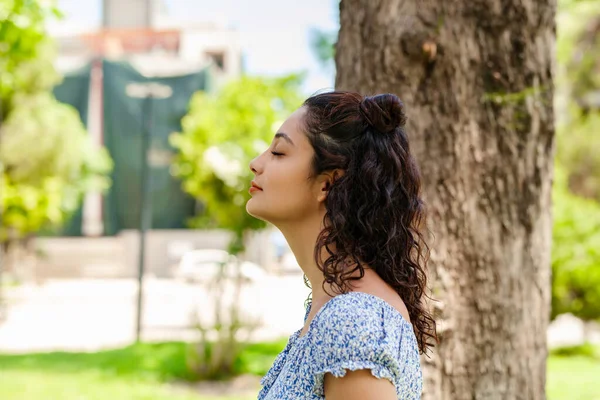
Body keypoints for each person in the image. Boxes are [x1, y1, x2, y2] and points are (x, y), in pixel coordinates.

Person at [246, 91, 437, 399]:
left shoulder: (353, 319)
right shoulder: (331, 305)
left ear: (327, 183)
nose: (256, 164)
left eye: (279, 152)